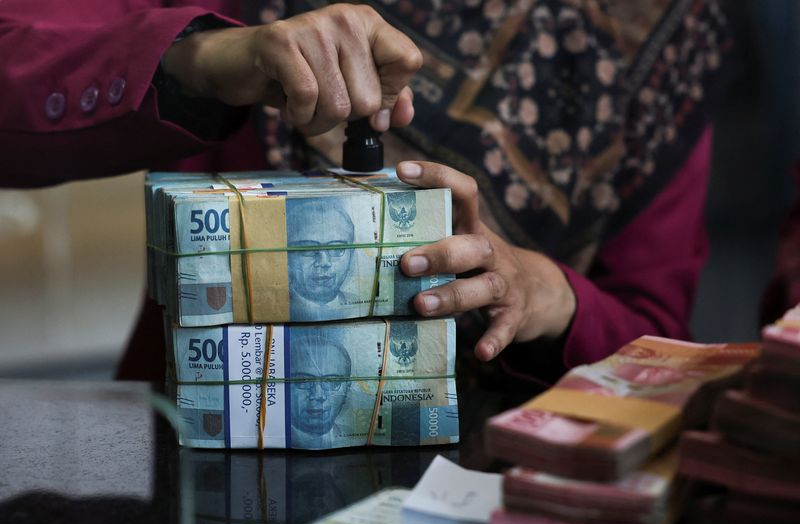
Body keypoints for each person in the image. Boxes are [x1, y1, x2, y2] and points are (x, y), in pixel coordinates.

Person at [0, 0, 740, 387]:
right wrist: (204, 57)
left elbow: (658, 351)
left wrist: (550, 293)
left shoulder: (667, 27)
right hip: (202, 459)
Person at [286, 198, 357, 321]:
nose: (324, 262)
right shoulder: (270, 307)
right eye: (307, 248)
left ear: (351, 255)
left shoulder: (363, 306)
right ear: (286, 256)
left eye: (336, 248)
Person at [289, 333, 353, 448]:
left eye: (331, 381)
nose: (318, 395)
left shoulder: (353, 437)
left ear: (347, 390)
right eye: (304, 380)